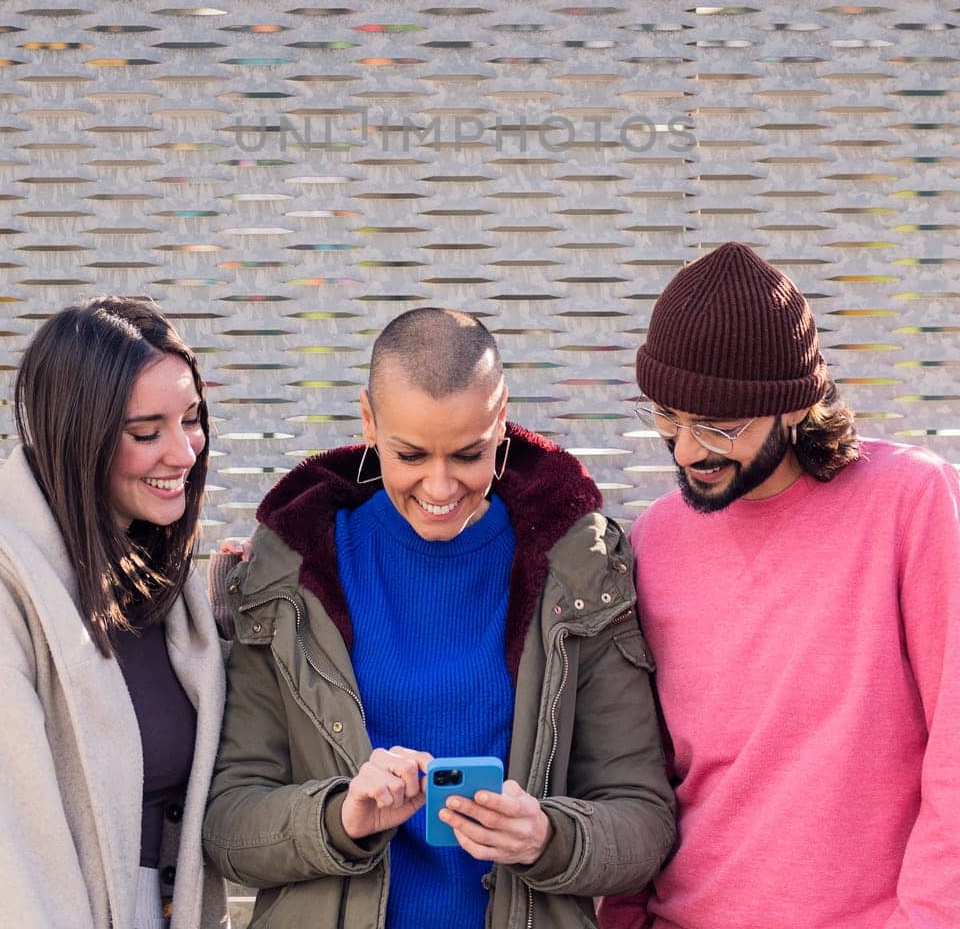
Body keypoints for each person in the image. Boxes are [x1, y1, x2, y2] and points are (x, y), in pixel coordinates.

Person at [203, 306, 675, 929]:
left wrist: (547, 838)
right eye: (411, 454)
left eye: (469, 454)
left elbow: (643, 820)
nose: (441, 485)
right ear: (368, 420)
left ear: (501, 417)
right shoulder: (288, 573)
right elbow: (229, 825)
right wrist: (340, 819)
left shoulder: (580, 574)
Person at [599, 241, 960, 929]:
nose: (688, 449)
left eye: (718, 425)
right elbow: (646, 774)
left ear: (792, 406)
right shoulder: (652, 541)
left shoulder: (911, 503)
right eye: (667, 417)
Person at [0, 296, 230, 929]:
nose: (184, 452)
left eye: (192, 419)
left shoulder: (158, 582)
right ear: (78, 434)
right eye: (146, 433)